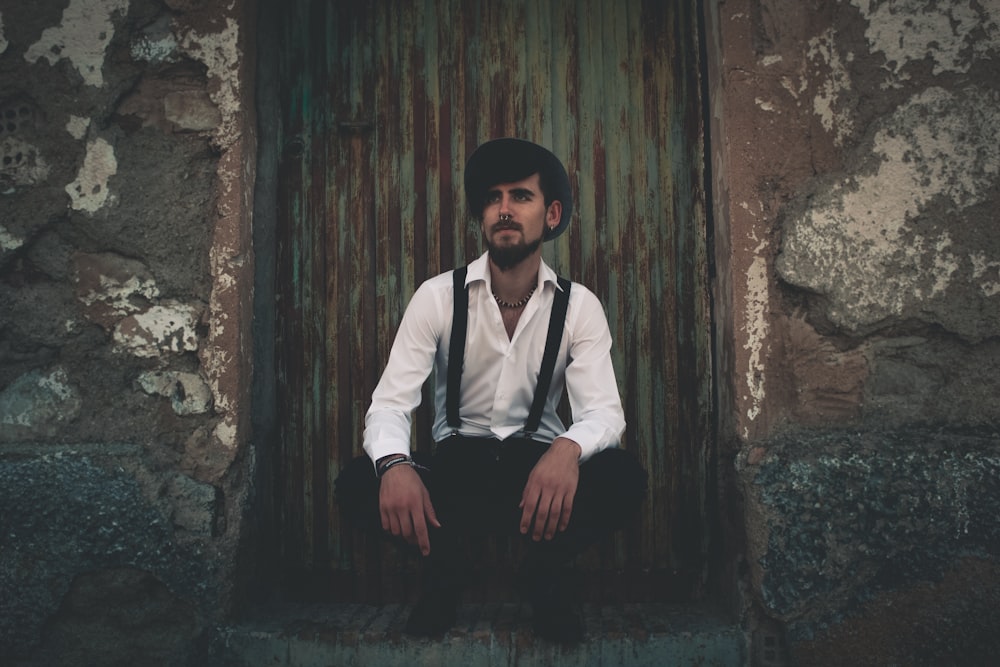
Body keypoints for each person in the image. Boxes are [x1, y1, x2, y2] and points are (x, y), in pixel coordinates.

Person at [336, 138, 646, 643]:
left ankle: (543, 574)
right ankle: (447, 569)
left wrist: (567, 448)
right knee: (357, 481)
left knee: (623, 476)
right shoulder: (437, 297)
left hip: (537, 478)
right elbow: (390, 403)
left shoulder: (578, 306)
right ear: (482, 214)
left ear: (551, 215)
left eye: (521, 196)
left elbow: (605, 413)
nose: (504, 209)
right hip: (457, 476)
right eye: (493, 198)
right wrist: (394, 466)